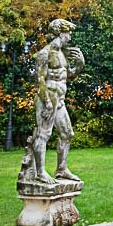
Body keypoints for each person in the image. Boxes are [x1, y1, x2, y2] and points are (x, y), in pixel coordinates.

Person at [29, 18, 85, 184]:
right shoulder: (44, 53)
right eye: (68, 33)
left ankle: (61, 169)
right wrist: (46, 102)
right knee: (43, 134)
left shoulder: (62, 54)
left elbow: (68, 76)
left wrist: (80, 65)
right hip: (48, 98)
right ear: (60, 33)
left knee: (67, 133)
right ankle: (40, 172)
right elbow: (39, 81)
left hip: (59, 99)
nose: (69, 37)